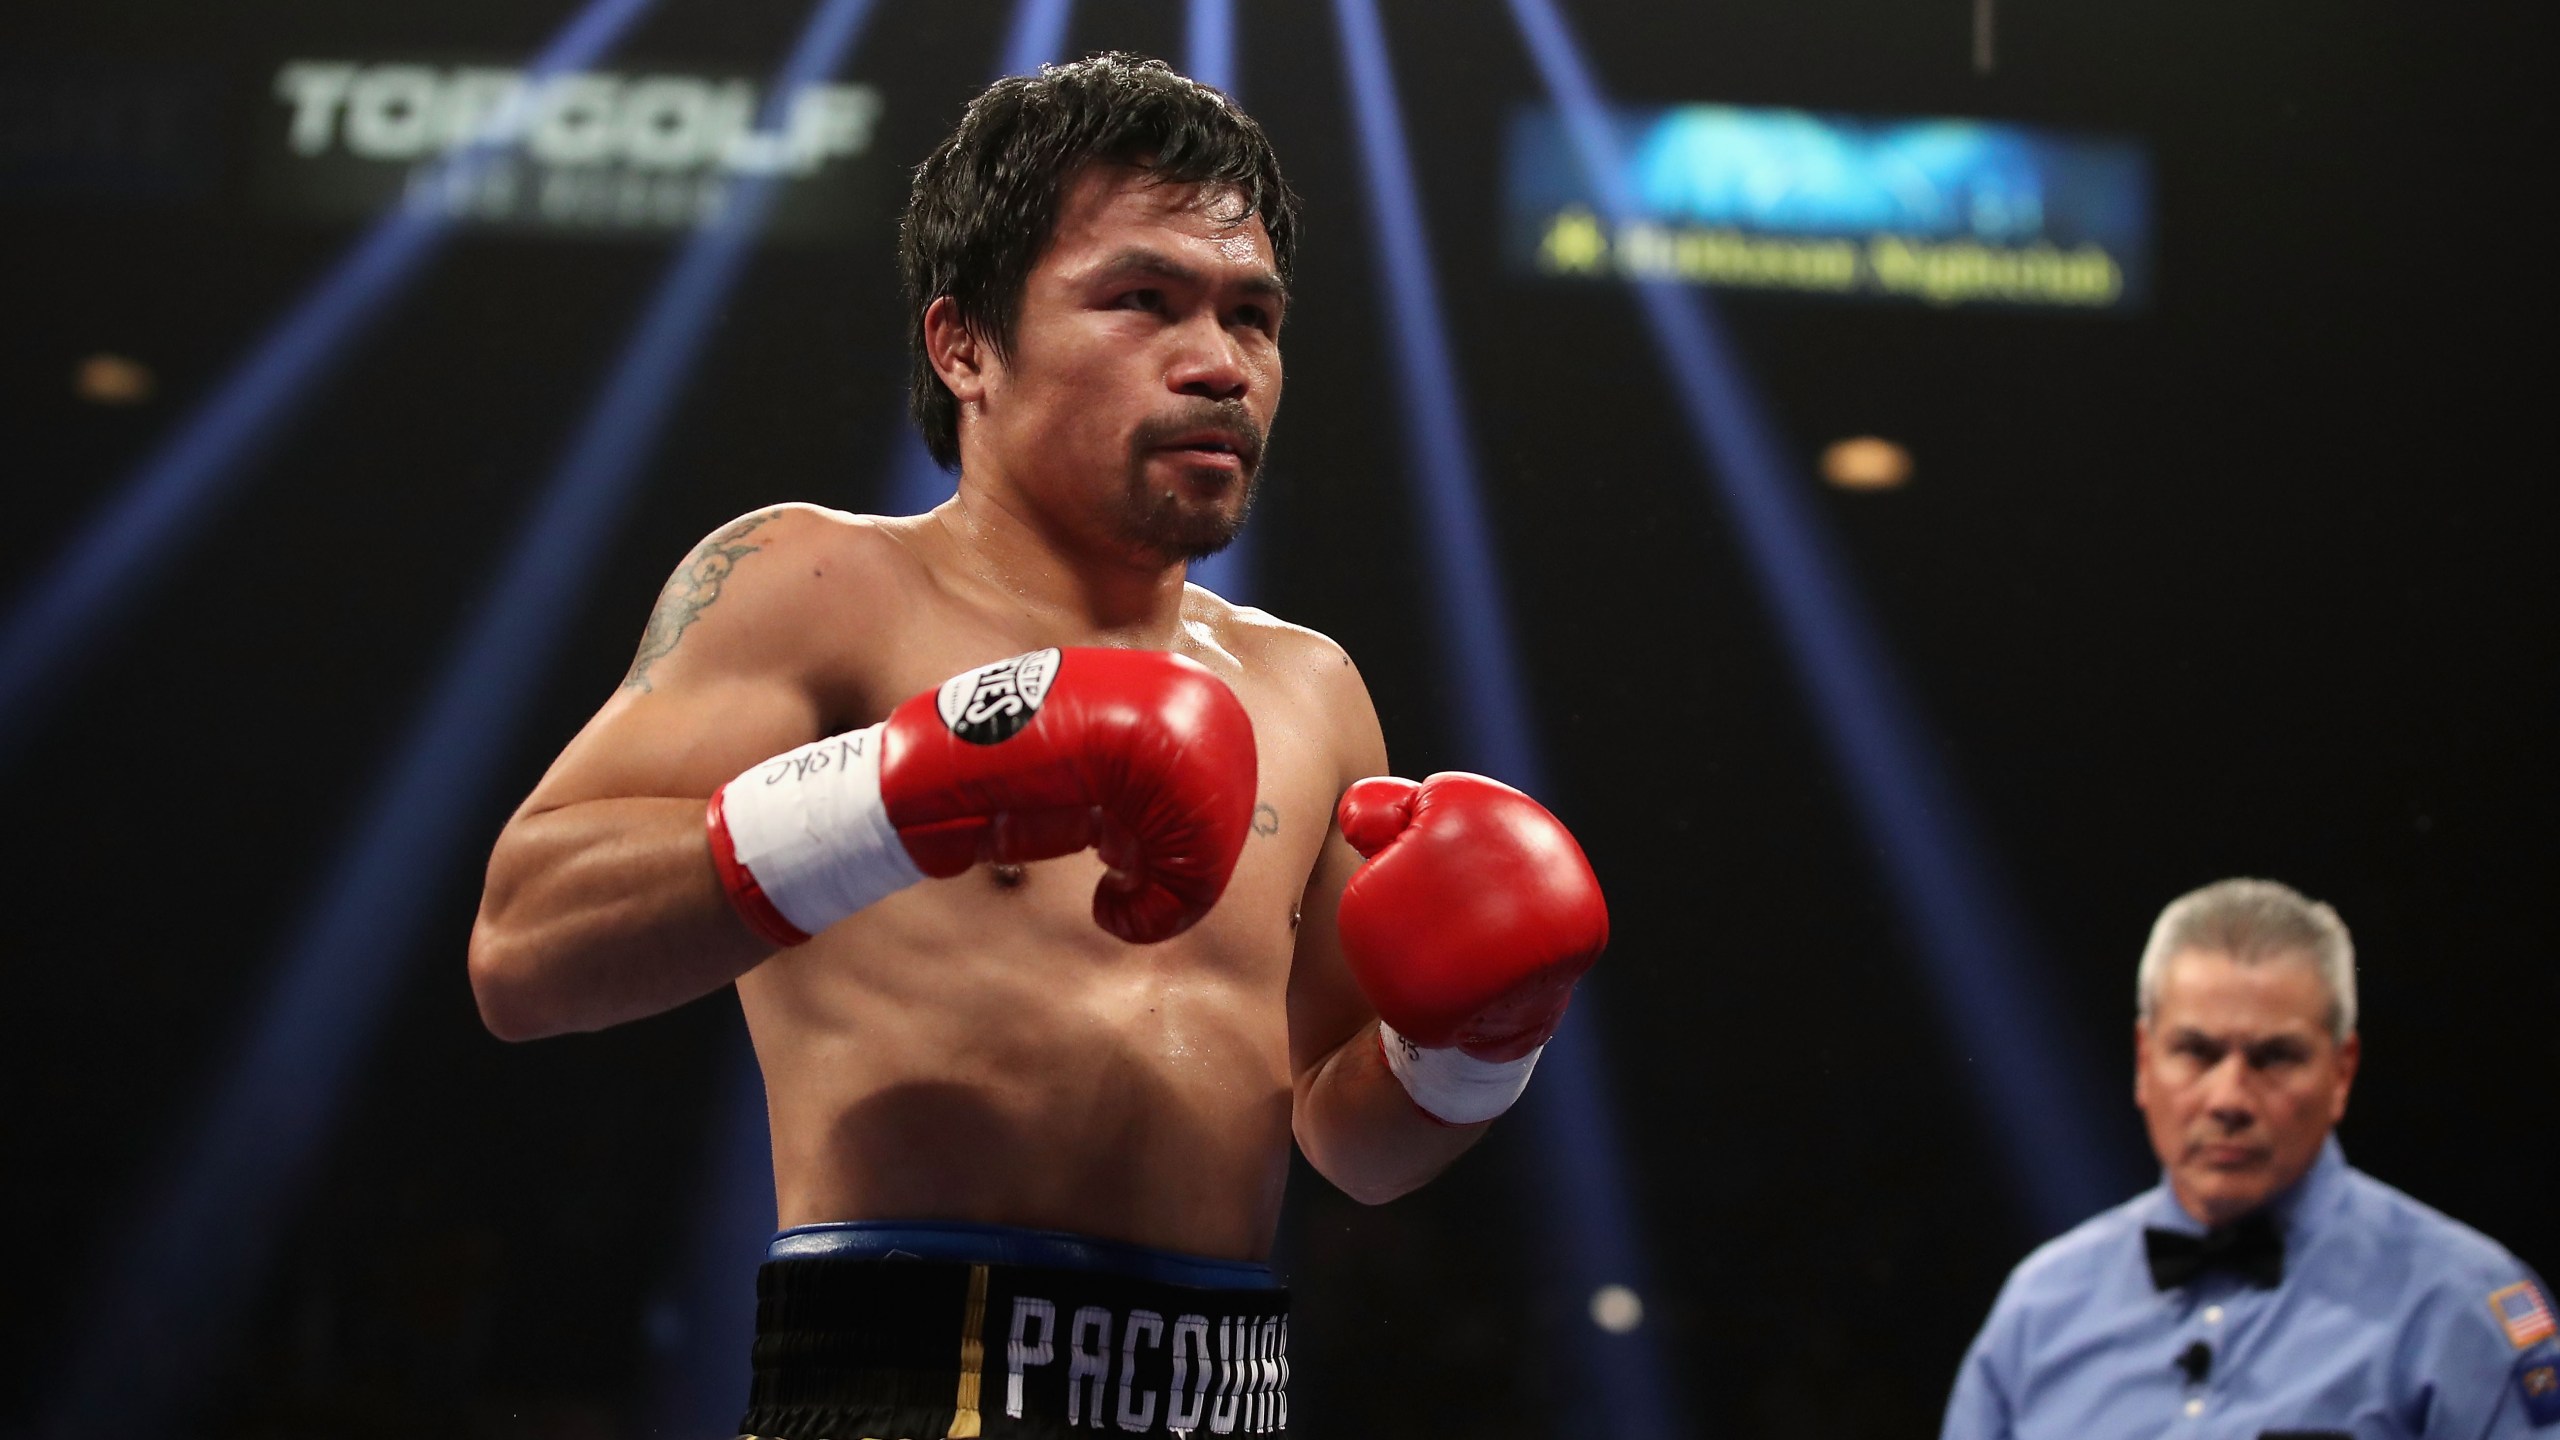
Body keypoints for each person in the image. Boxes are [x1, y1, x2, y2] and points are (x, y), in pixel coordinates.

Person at [466, 54, 1609, 1440]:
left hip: (1224, 1399)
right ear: (965, 346)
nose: (1220, 362)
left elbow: (1351, 1146)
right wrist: (914, 783)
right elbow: (524, 948)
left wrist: (1480, 1043)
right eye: (1143, 300)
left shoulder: (1311, 689)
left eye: (1254, 316)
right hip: (896, 1380)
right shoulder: (817, 585)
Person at [1942, 878, 2557, 1438]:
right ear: (2144, 1058)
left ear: (2342, 1072)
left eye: (2274, 1057)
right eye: (2197, 1052)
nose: (2229, 1099)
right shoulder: (2038, 1310)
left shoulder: (2463, 1304)